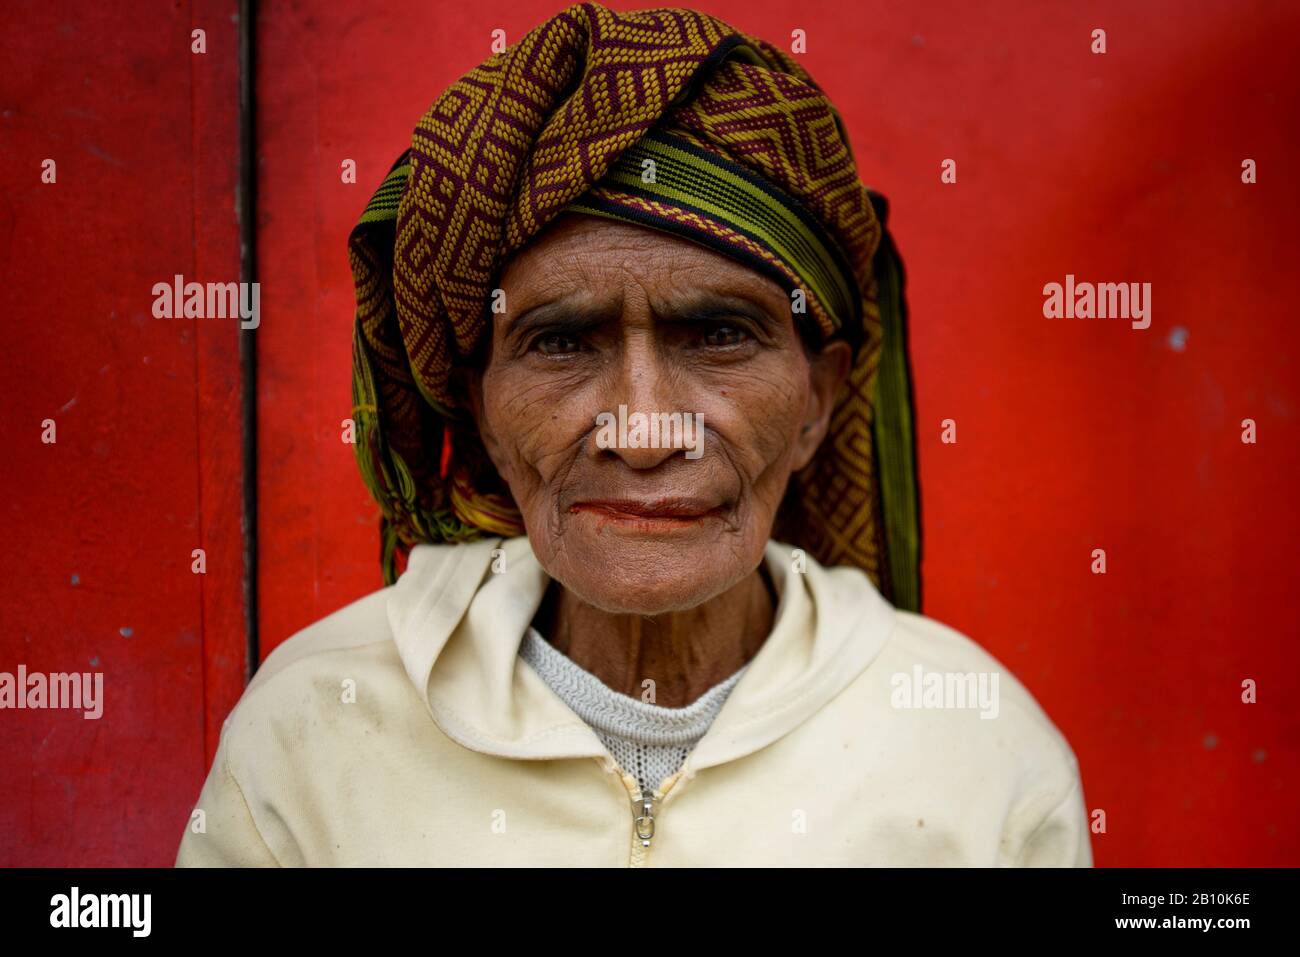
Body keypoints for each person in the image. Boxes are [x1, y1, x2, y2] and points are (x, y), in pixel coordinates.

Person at [176, 3, 1091, 867]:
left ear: (818, 399)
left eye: (720, 335)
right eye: (563, 342)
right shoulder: (313, 729)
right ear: (482, 407)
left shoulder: (980, 752)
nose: (645, 429)